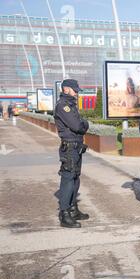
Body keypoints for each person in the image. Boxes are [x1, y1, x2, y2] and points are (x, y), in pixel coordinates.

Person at [54, 79, 90, 228]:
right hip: (69, 147)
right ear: (66, 89)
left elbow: (79, 124)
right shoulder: (63, 106)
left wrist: (83, 125)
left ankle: (73, 209)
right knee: (68, 179)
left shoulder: (71, 105)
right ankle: (64, 214)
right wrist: (85, 124)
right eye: (75, 90)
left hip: (76, 146)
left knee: (75, 178)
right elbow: (77, 125)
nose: (76, 93)